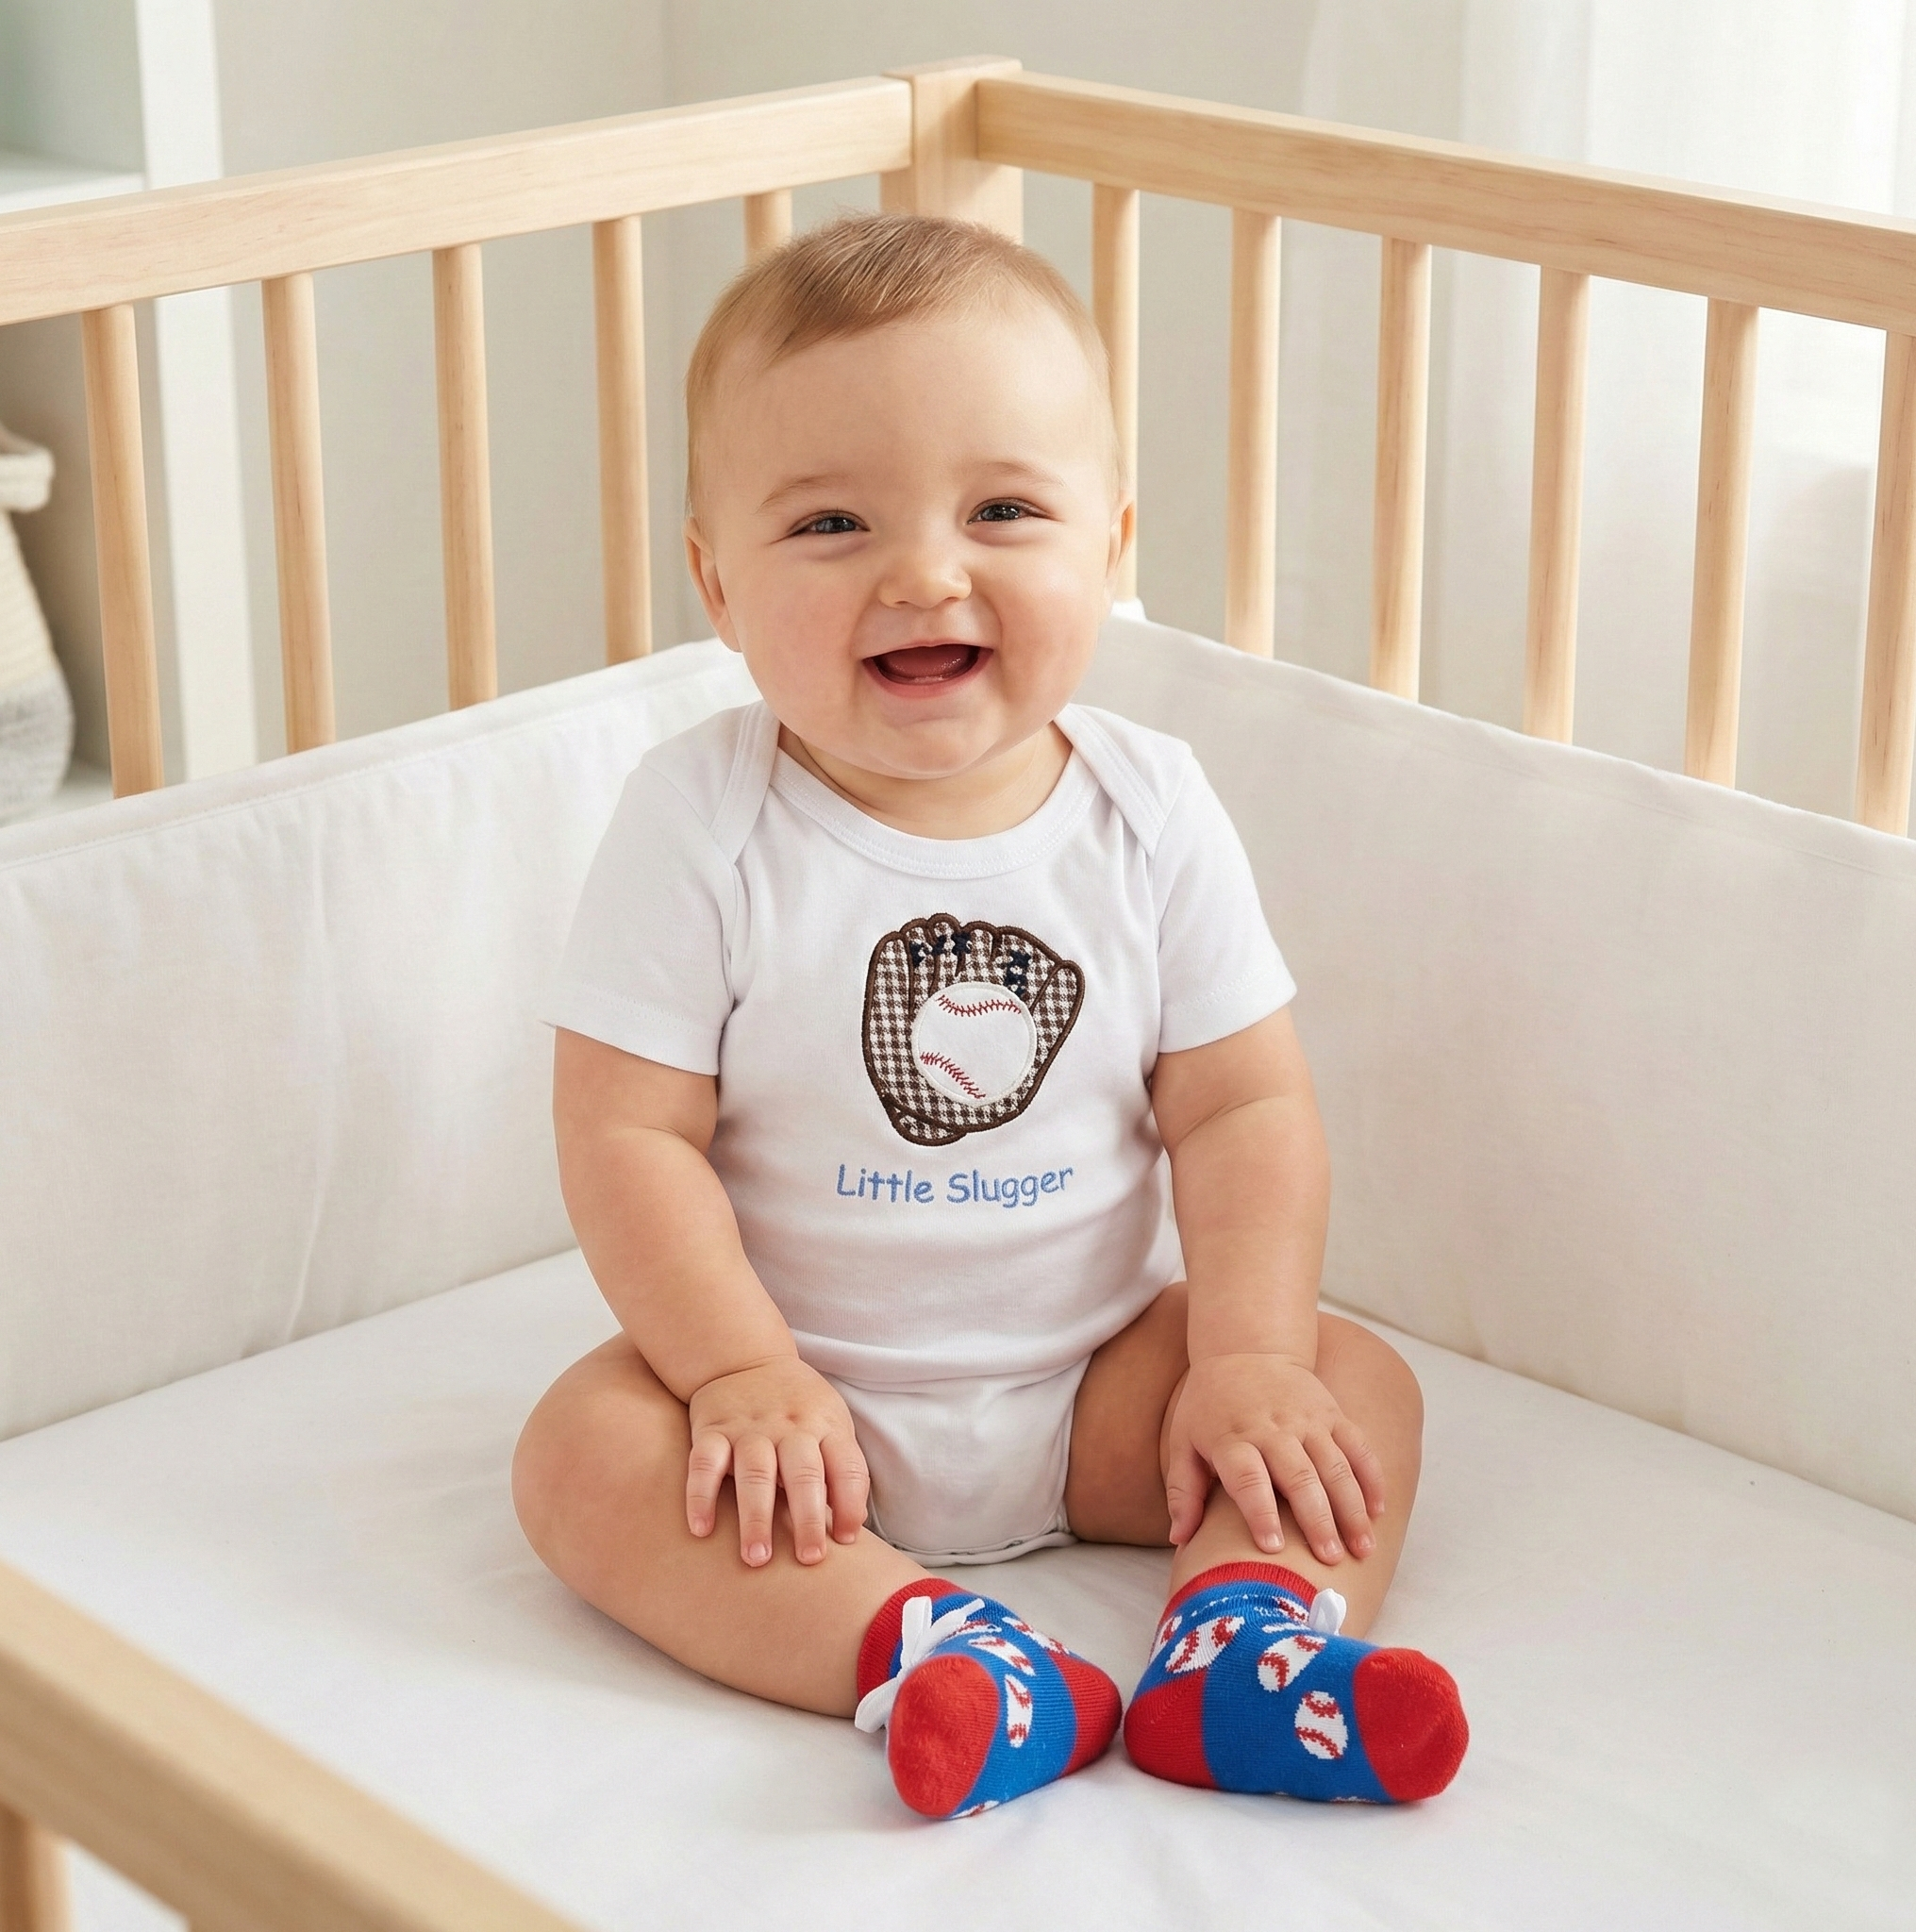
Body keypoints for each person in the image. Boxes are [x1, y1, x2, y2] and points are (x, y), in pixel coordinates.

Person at [513, 210, 1467, 1820]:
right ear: (717, 584)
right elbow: (627, 1128)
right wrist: (738, 1372)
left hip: (1101, 1392)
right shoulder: (701, 820)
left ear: (1108, 547)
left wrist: (1237, 1357)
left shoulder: (1148, 811)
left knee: (1349, 1381)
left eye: (1005, 508)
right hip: (794, 1417)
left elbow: (1242, 1108)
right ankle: (925, 1650)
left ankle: (1243, 1650)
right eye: (829, 521)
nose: (924, 570)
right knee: (577, 1455)